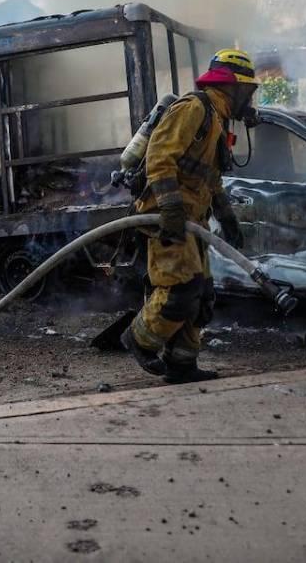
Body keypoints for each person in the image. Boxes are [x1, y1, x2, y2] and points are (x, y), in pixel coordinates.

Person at [121, 49, 259, 384]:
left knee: (203, 294)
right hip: (166, 217)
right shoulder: (194, 108)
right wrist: (169, 207)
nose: (250, 98)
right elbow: (159, 157)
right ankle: (139, 338)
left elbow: (209, 178)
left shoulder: (216, 119)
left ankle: (182, 364)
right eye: (248, 90)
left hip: (193, 220)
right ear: (234, 86)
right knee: (182, 288)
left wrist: (227, 219)